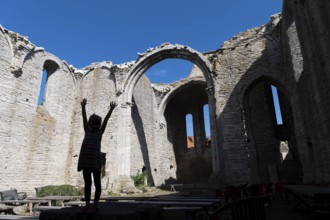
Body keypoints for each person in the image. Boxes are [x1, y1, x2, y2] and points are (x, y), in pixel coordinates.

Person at [77, 98, 117, 213]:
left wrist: (111, 109)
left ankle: (95, 203)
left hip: (94, 163)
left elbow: (106, 120)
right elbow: (84, 119)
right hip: (86, 162)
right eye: (93, 124)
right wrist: (83, 107)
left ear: (99, 125)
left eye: (97, 124)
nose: (95, 126)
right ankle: (88, 204)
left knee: (97, 184)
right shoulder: (87, 130)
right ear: (90, 124)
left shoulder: (100, 132)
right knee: (88, 184)